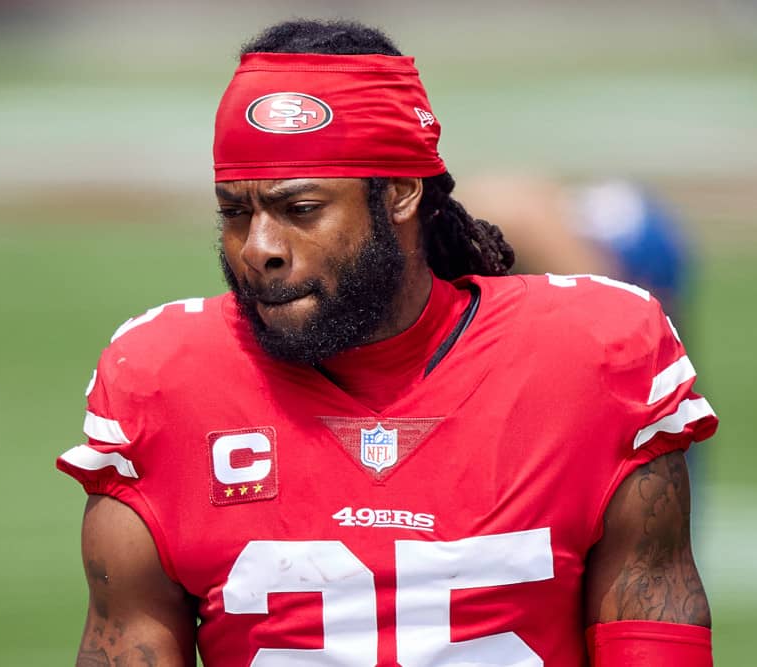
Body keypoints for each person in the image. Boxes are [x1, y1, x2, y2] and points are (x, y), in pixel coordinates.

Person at [57, 19, 718, 667]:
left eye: (300, 210)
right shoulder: (163, 381)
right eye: (235, 212)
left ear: (400, 192)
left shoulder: (592, 356)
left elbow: (653, 633)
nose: (259, 248)